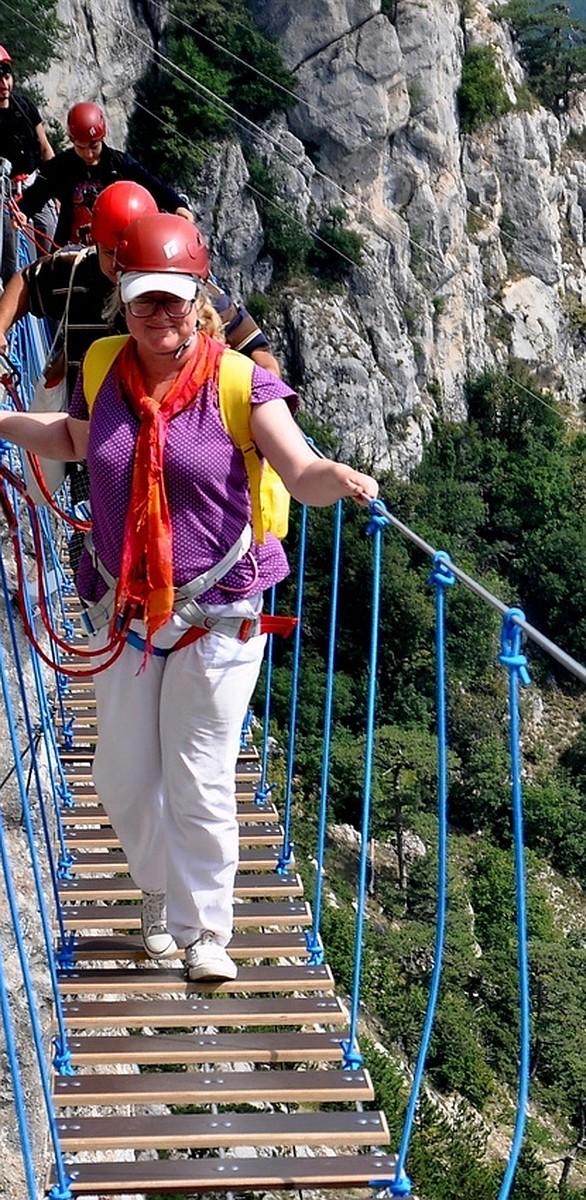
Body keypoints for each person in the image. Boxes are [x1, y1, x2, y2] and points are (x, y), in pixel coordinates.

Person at [0, 212, 378, 982]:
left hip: (222, 611)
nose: (161, 316)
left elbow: (297, 472)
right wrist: (5, 425)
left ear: (198, 296)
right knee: (123, 776)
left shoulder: (242, 381)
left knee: (198, 770)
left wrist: (332, 481)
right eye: (145, 301)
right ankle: (157, 888)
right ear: (123, 302)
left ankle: (207, 932)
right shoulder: (103, 366)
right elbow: (74, 441)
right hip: (128, 610)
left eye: (174, 300)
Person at [0, 180, 282, 396]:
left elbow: (258, 353)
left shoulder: (186, 293)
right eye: (110, 253)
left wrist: (260, 405)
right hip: (89, 439)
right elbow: (27, 281)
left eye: (129, 253)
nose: (118, 266)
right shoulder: (73, 272)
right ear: (94, 242)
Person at [16, 101, 194, 249]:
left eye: (94, 146)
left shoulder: (120, 164)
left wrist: (177, 205)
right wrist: (23, 212)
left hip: (117, 245)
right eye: (81, 147)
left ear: (103, 137)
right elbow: (38, 193)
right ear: (72, 141)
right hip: (72, 246)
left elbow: (153, 186)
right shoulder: (61, 166)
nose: (89, 154)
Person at [0, 44, 56, 279]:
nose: (4, 85)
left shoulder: (24, 106)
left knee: (50, 240)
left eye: (7, 77)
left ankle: (50, 297)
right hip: (5, 193)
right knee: (9, 252)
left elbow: (44, 147)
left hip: (34, 185)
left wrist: (55, 187)